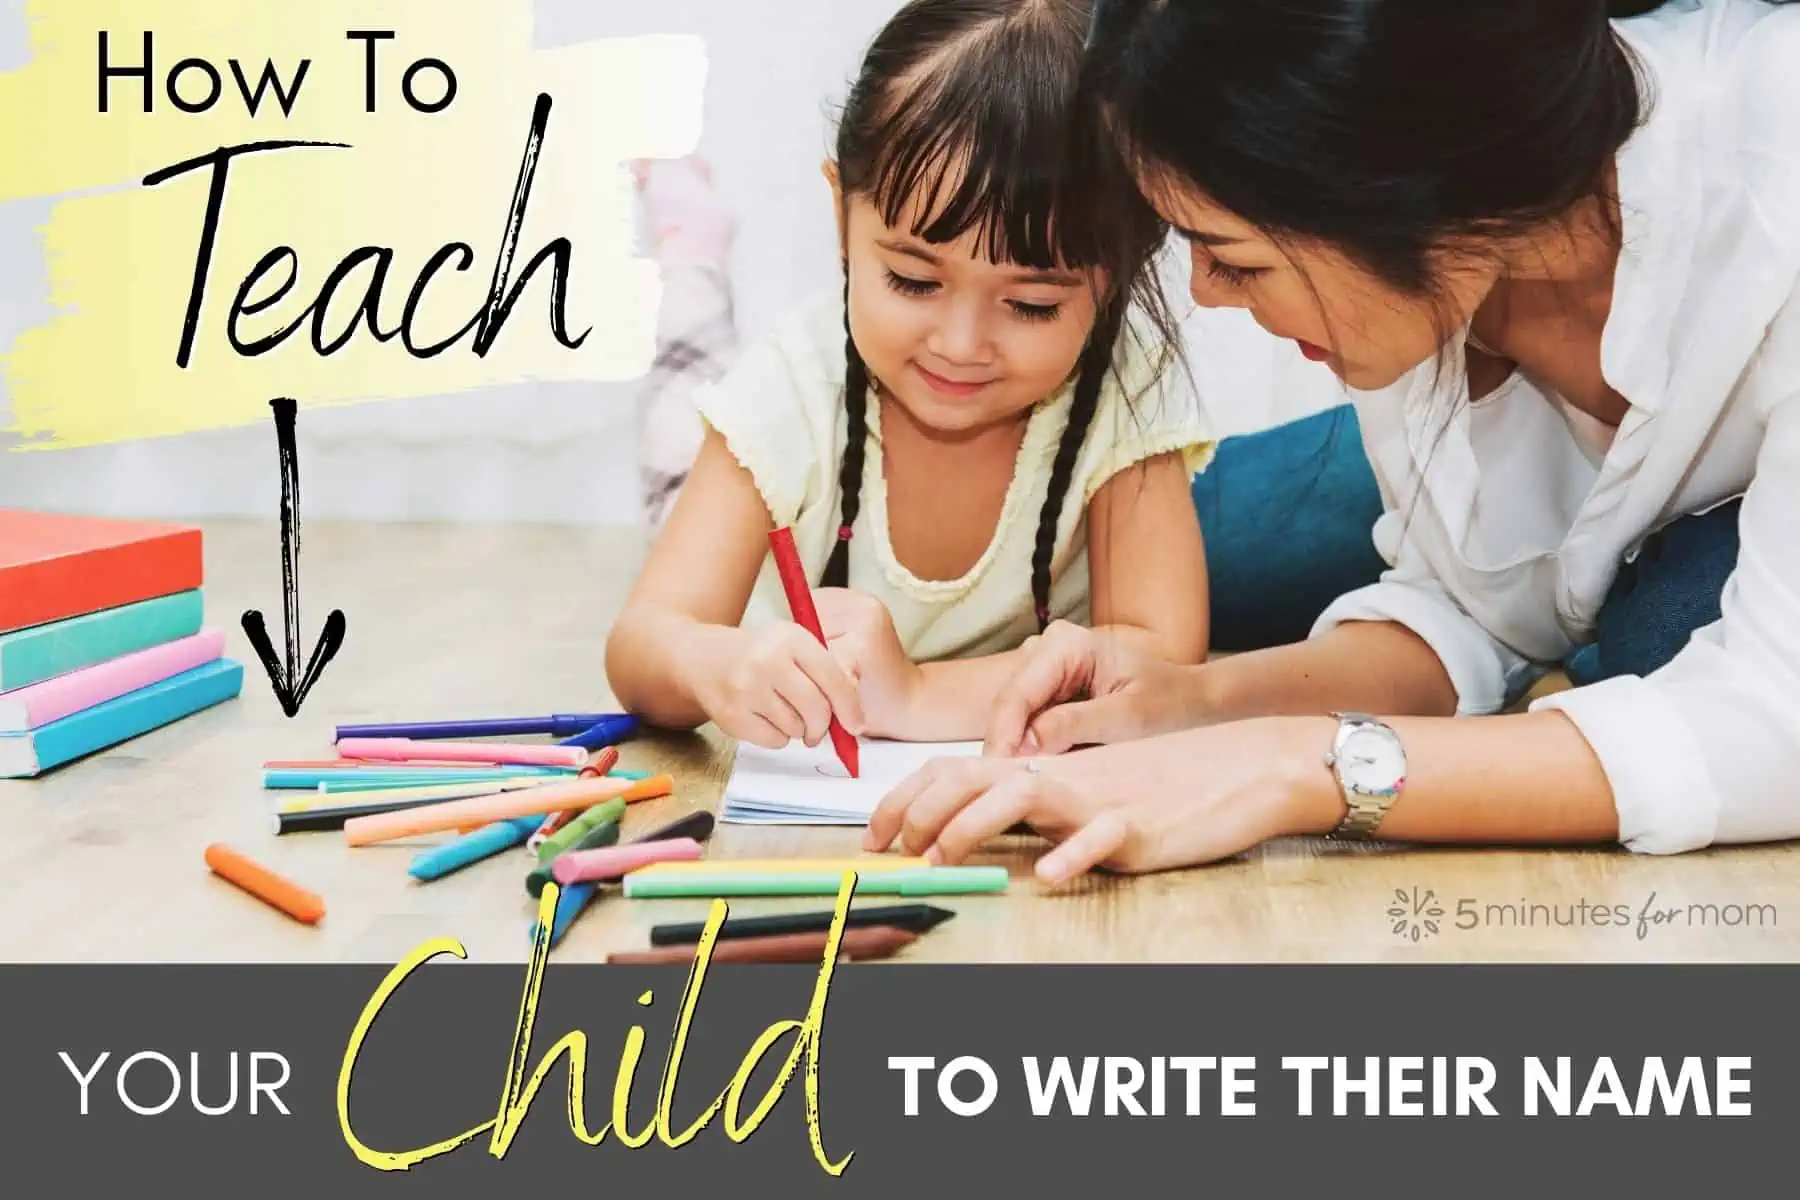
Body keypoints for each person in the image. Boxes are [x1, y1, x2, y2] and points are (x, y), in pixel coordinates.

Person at [867, 0, 1800, 882]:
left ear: (1410, 191)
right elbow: (1473, 613)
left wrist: (1288, 768)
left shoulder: (1773, 181)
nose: (1206, 295)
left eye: (1234, 257)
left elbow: (1772, 721)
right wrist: (1189, 705)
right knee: (1201, 549)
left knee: (1663, 629)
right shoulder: (1434, 278)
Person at [605, 0, 1215, 751]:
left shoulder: (1124, 383)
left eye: (1029, 304)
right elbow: (643, 643)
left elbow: (1159, 654)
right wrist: (713, 661)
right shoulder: (792, 386)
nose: (960, 345)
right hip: (762, 456)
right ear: (841, 216)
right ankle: (689, 244)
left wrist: (921, 693)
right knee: (678, 424)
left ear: (1119, 272)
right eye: (913, 282)